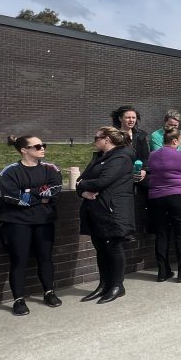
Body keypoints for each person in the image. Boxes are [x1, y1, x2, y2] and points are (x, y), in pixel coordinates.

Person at [0, 134, 63, 316]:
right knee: (19, 259)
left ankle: (49, 292)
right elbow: (12, 197)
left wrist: (27, 192)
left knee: (45, 257)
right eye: (37, 146)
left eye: (43, 145)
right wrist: (40, 197)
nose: (42, 148)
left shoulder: (51, 169)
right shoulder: (10, 171)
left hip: (44, 221)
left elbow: (55, 189)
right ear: (24, 150)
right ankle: (18, 299)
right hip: (17, 222)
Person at [76, 126, 135, 304]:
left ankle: (117, 285)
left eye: (96, 138)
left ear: (107, 139)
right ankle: (104, 284)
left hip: (112, 210)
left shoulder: (121, 157)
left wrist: (83, 183)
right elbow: (80, 182)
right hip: (95, 209)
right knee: (100, 247)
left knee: (112, 247)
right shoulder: (99, 157)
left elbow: (103, 181)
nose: (95, 141)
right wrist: (83, 191)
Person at [146, 130, 181, 282]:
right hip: (179, 196)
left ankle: (163, 271)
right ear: (175, 141)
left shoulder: (152, 155)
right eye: (180, 140)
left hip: (156, 197)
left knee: (161, 234)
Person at [111, 105, 150, 182]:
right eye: (128, 117)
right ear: (120, 118)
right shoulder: (112, 135)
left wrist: (143, 170)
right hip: (119, 173)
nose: (131, 120)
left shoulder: (141, 135)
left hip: (137, 172)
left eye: (133, 117)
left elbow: (146, 157)